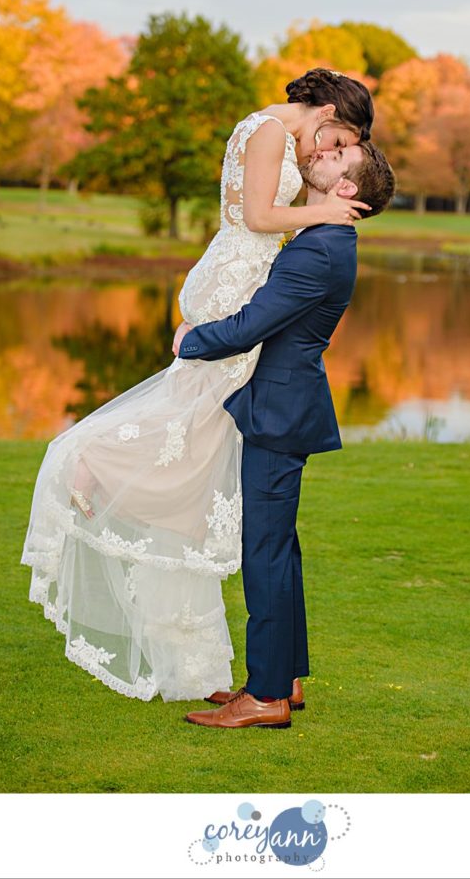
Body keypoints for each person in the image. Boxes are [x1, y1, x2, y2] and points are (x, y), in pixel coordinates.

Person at [20, 68, 376, 704]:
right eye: (341, 136)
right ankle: (95, 459)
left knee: (201, 438)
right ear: (325, 109)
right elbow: (258, 215)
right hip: (242, 285)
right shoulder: (272, 132)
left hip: (256, 307)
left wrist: (314, 219)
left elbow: (269, 230)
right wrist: (319, 210)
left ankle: (259, 679)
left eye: (340, 147)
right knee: (192, 421)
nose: (329, 149)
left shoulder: (306, 190)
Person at [177, 138, 396, 728]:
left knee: (265, 549)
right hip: (284, 405)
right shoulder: (323, 237)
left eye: (335, 158)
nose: (321, 156)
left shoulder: (319, 250)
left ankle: (267, 696)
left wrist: (189, 340)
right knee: (279, 546)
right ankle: (284, 677)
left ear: (346, 189)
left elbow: (252, 326)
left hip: (278, 411)